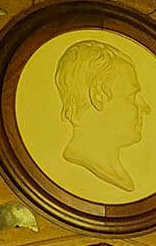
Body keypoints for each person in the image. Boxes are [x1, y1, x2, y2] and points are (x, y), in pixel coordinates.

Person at [53, 37, 149, 191]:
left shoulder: (117, 172)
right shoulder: (78, 177)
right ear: (98, 98)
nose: (145, 108)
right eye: (132, 95)